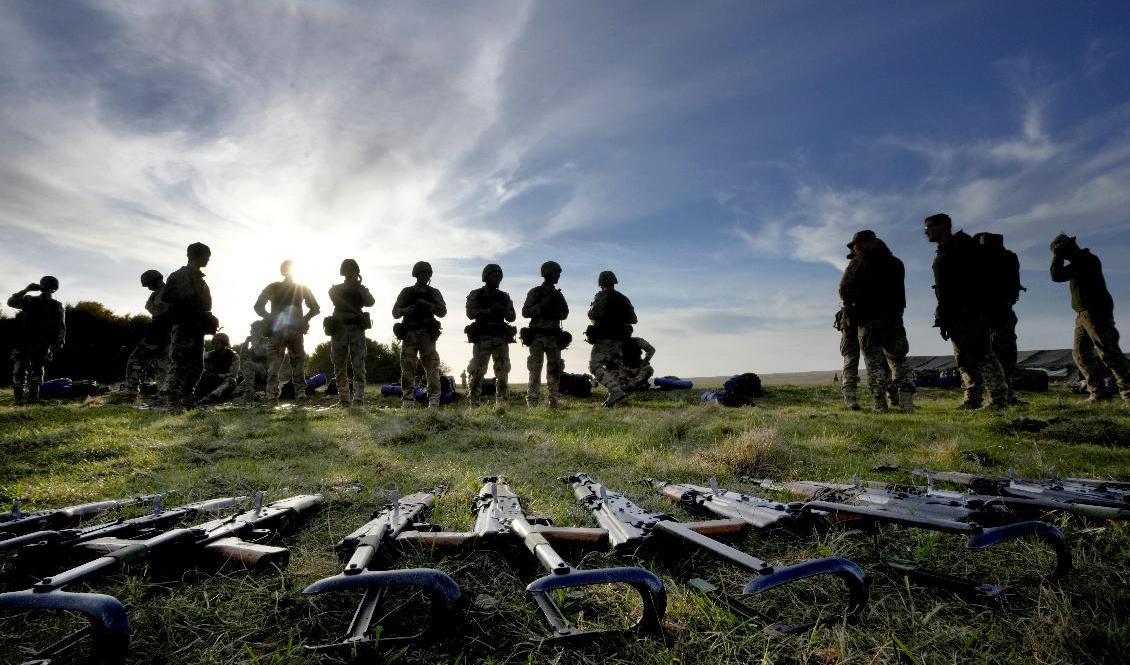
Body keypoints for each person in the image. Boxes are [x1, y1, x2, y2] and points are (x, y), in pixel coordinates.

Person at [924, 214, 1009, 409]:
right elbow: (945, 290)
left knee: (983, 355)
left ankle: (998, 400)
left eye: (929, 227)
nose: (926, 232)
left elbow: (976, 282)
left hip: (971, 313)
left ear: (943, 226)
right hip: (953, 315)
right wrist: (943, 315)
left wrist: (974, 309)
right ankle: (972, 397)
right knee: (962, 357)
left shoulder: (964, 248)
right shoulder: (945, 250)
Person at [839, 230, 915, 413]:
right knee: (898, 360)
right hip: (894, 319)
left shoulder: (859, 263)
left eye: (856, 244)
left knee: (873, 362)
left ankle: (880, 405)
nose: (855, 248)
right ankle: (907, 404)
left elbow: (844, 289)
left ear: (867, 243)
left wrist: (855, 304)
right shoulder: (897, 264)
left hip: (868, 320)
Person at [1050, 234, 1130, 401]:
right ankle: (1097, 391)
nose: (1062, 257)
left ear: (1067, 248)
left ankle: (1127, 391)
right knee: (1080, 353)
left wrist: (1056, 257)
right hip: (1083, 314)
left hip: (1095, 311)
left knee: (1108, 352)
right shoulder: (1080, 261)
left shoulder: (1085, 260)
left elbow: (1056, 275)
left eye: (1061, 253)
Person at [254, 260, 320, 406]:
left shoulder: (275, 287)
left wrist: (270, 317)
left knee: (279, 363)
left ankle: (274, 396)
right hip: (290, 330)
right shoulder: (300, 287)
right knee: (294, 363)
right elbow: (315, 308)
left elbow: (258, 307)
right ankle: (298, 394)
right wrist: (304, 319)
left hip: (282, 330)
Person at [163, 242, 217, 410]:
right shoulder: (179, 276)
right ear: (196, 256)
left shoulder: (200, 279)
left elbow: (202, 305)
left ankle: (186, 397)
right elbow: (173, 299)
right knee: (179, 363)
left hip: (197, 328)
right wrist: (199, 313)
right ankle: (172, 401)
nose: (209, 258)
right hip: (184, 326)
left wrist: (207, 318)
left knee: (197, 366)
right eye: (206, 255)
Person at [976, 232, 1025, 403]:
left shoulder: (988, 259)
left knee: (998, 355)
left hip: (995, 313)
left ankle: (1001, 396)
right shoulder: (1008, 258)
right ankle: (1003, 395)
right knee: (1002, 354)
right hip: (998, 312)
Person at [392, 261, 447, 408]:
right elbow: (395, 312)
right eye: (422, 273)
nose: (424, 276)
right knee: (407, 368)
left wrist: (428, 305)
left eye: (427, 273)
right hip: (410, 333)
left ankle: (434, 402)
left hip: (427, 335)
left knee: (432, 368)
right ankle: (408, 401)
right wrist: (406, 310)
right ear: (416, 274)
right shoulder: (407, 292)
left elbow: (442, 311)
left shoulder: (433, 292)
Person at [7, 276, 66, 405]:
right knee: (19, 371)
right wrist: (26, 290)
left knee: (37, 372)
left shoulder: (56, 305)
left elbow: (60, 326)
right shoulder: (29, 300)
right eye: (44, 284)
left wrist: (59, 342)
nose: (45, 287)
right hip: (23, 341)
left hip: (41, 343)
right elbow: (11, 302)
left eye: (48, 285)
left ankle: (32, 399)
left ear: (54, 289)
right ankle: (18, 400)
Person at [465, 264, 516, 406]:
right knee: (477, 372)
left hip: (500, 337)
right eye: (494, 275)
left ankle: (502, 405)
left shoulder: (504, 296)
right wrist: (488, 311)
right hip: (483, 337)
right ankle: (474, 403)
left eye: (499, 276)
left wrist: (503, 310)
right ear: (486, 277)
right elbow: (470, 313)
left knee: (503, 372)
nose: (498, 278)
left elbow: (512, 316)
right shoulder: (477, 294)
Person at [326, 258, 375, 407]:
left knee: (358, 365)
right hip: (339, 328)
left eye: (352, 272)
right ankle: (344, 400)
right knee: (339, 365)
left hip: (356, 329)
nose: (350, 275)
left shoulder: (361, 289)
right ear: (343, 273)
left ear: (356, 272)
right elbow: (333, 295)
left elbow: (370, 302)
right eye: (347, 272)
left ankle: (358, 399)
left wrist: (359, 288)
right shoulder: (336, 289)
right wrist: (354, 289)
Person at [521, 261, 570, 408]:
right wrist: (542, 306)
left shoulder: (557, 295)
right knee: (535, 370)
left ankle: (554, 401)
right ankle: (532, 403)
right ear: (549, 273)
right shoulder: (535, 292)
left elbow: (565, 313)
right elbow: (525, 312)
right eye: (556, 273)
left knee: (554, 370)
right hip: (537, 336)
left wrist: (553, 309)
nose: (558, 276)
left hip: (554, 337)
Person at [587, 270, 637, 407]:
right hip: (619, 339)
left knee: (594, 365)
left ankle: (615, 391)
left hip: (604, 337)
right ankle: (616, 398)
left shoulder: (601, 296)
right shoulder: (623, 298)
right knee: (613, 367)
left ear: (601, 283)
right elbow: (633, 319)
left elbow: (593, 314)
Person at [122, 269, 171, 402]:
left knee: (135, 361)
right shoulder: (159, 292)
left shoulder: (165, 292)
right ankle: (163, 394)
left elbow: (158, 310)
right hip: (165, 333)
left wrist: (148, 305)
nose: (148, 288)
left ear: (155, 280)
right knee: (163, 366)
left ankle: (131, 393)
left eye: (149, 284)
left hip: (160, 333)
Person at [195, 333, 241, 404]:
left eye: (218, 343)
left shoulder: (233, 356)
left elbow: (233, 374)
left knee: (231, 381)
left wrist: (218, 376)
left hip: (224, 383)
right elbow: (201, 367)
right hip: (212, 381)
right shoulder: (209, 355)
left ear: (224, 344)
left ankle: (210, 398)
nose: (215, 345)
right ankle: (195, 396)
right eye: (214, 343)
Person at [237, 319, 270, 403]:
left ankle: (249, 395)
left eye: (252, 330)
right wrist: (245, 344)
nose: (250, 331)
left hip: (266, 374)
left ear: (259, 330)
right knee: (235, 392)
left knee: (249, 364)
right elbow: (243, 359)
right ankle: (250, 393)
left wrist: (255, 340)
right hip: (254, 375)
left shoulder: (267, 341)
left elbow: (259, 352)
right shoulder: (254, 345)